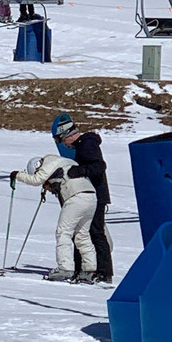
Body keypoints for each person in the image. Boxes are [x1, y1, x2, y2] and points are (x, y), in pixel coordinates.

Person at [11, 155, 97, 283]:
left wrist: (17, 175)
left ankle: (65, 268)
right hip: (91, 197)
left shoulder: (49, 163)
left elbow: (36, 180)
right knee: (82, 234)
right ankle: (89, 270)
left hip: (76, 197)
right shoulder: (66, 162)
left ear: (37, 166)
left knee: (63, 233)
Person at [52, 114, 113, 283]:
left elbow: (99, 166)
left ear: (68, 134)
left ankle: (104, 272)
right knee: (82, 232)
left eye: (61, 139)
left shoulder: (87, 144)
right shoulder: (82, 145)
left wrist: (80, 171)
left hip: (96, 195)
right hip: (91, 195)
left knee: (96, 233)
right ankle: (83, 268)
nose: (62, 144)